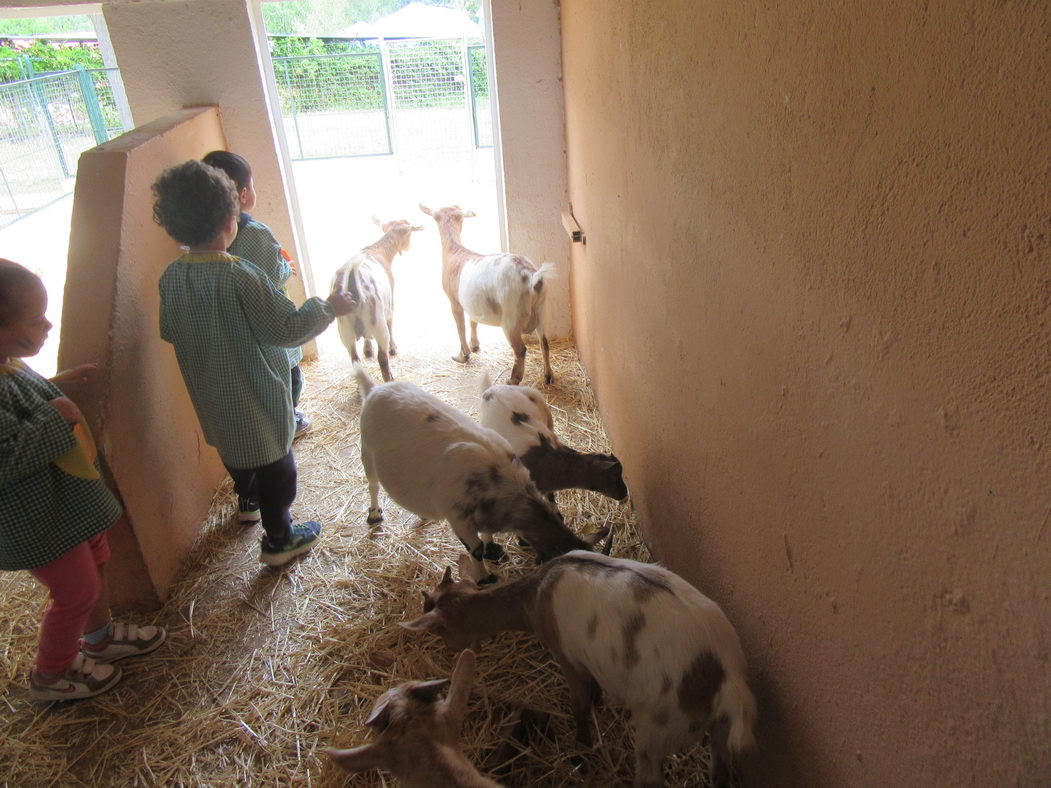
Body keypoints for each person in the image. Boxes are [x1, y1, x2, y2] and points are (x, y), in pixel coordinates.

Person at [152, 160, 355, 567]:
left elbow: (170, 330)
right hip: (254, 397)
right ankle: (279, 537)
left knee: (235, 454)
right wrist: (327, 308)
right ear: (232, 220)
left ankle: (247, 500)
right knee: (277, 467)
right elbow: (286, 329)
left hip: (210, 398)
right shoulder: (241, 275)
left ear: (173, 230)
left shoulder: (170, 277)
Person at [0, 259, 167, 701]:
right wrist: (52, 418)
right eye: (35, 320)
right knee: (75, 589)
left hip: (64, 504)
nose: (48, 324)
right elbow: (6, 455)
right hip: (35, 519)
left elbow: (18, 407)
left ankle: (99, 639)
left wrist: (51, 386)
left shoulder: (9, 363)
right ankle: (50, 674)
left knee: (98, 557)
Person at [201, 150, 310, 439]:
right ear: (245, 194)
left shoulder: (202, 236)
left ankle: (272, 423)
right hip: (270, 328)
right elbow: (271, 275)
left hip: (237, 332)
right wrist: (287, 267)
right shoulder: (256, 233)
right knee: (289, 378)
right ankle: (288, 423)